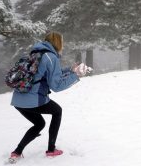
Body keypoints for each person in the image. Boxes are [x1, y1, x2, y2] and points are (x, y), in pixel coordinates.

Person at [8, 32, 85, 163]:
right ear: (58, 43)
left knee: (39, 124)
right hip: (33, 100)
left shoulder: (36, 53)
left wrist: (70, 70)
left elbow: (50, 74)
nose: (63, 46)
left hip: (18, 100)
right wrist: (76, 76)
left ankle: (17, 152)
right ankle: (51, 150)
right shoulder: (51, 57)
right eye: (62, 43)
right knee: (57, 111)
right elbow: (56, 86)